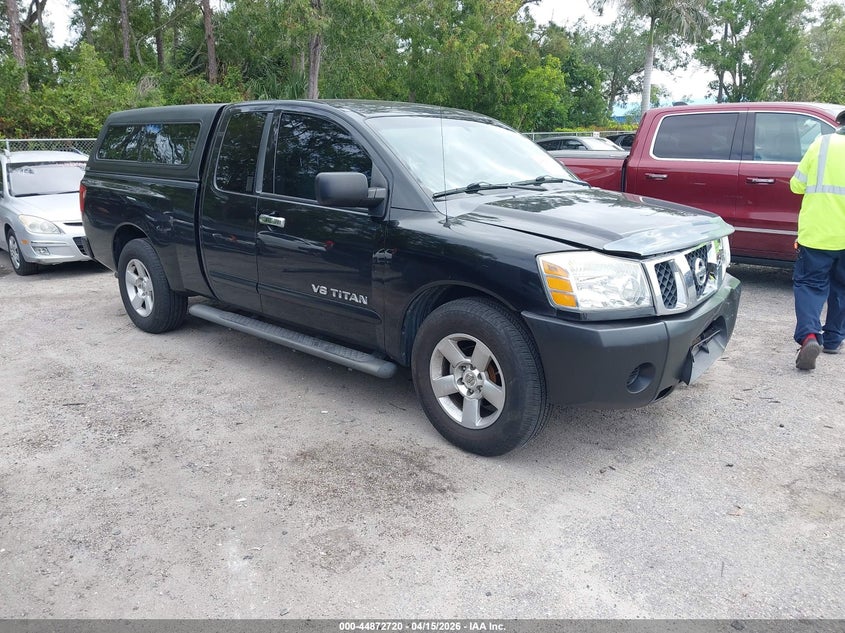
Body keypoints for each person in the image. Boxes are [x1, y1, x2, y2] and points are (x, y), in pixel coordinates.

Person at [790, 124, 845, 370]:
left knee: (810, 285)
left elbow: (796, 185)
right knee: (842, 287)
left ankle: (810, 336)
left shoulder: (822, 143)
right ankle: (833, 339)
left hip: (817, 233)